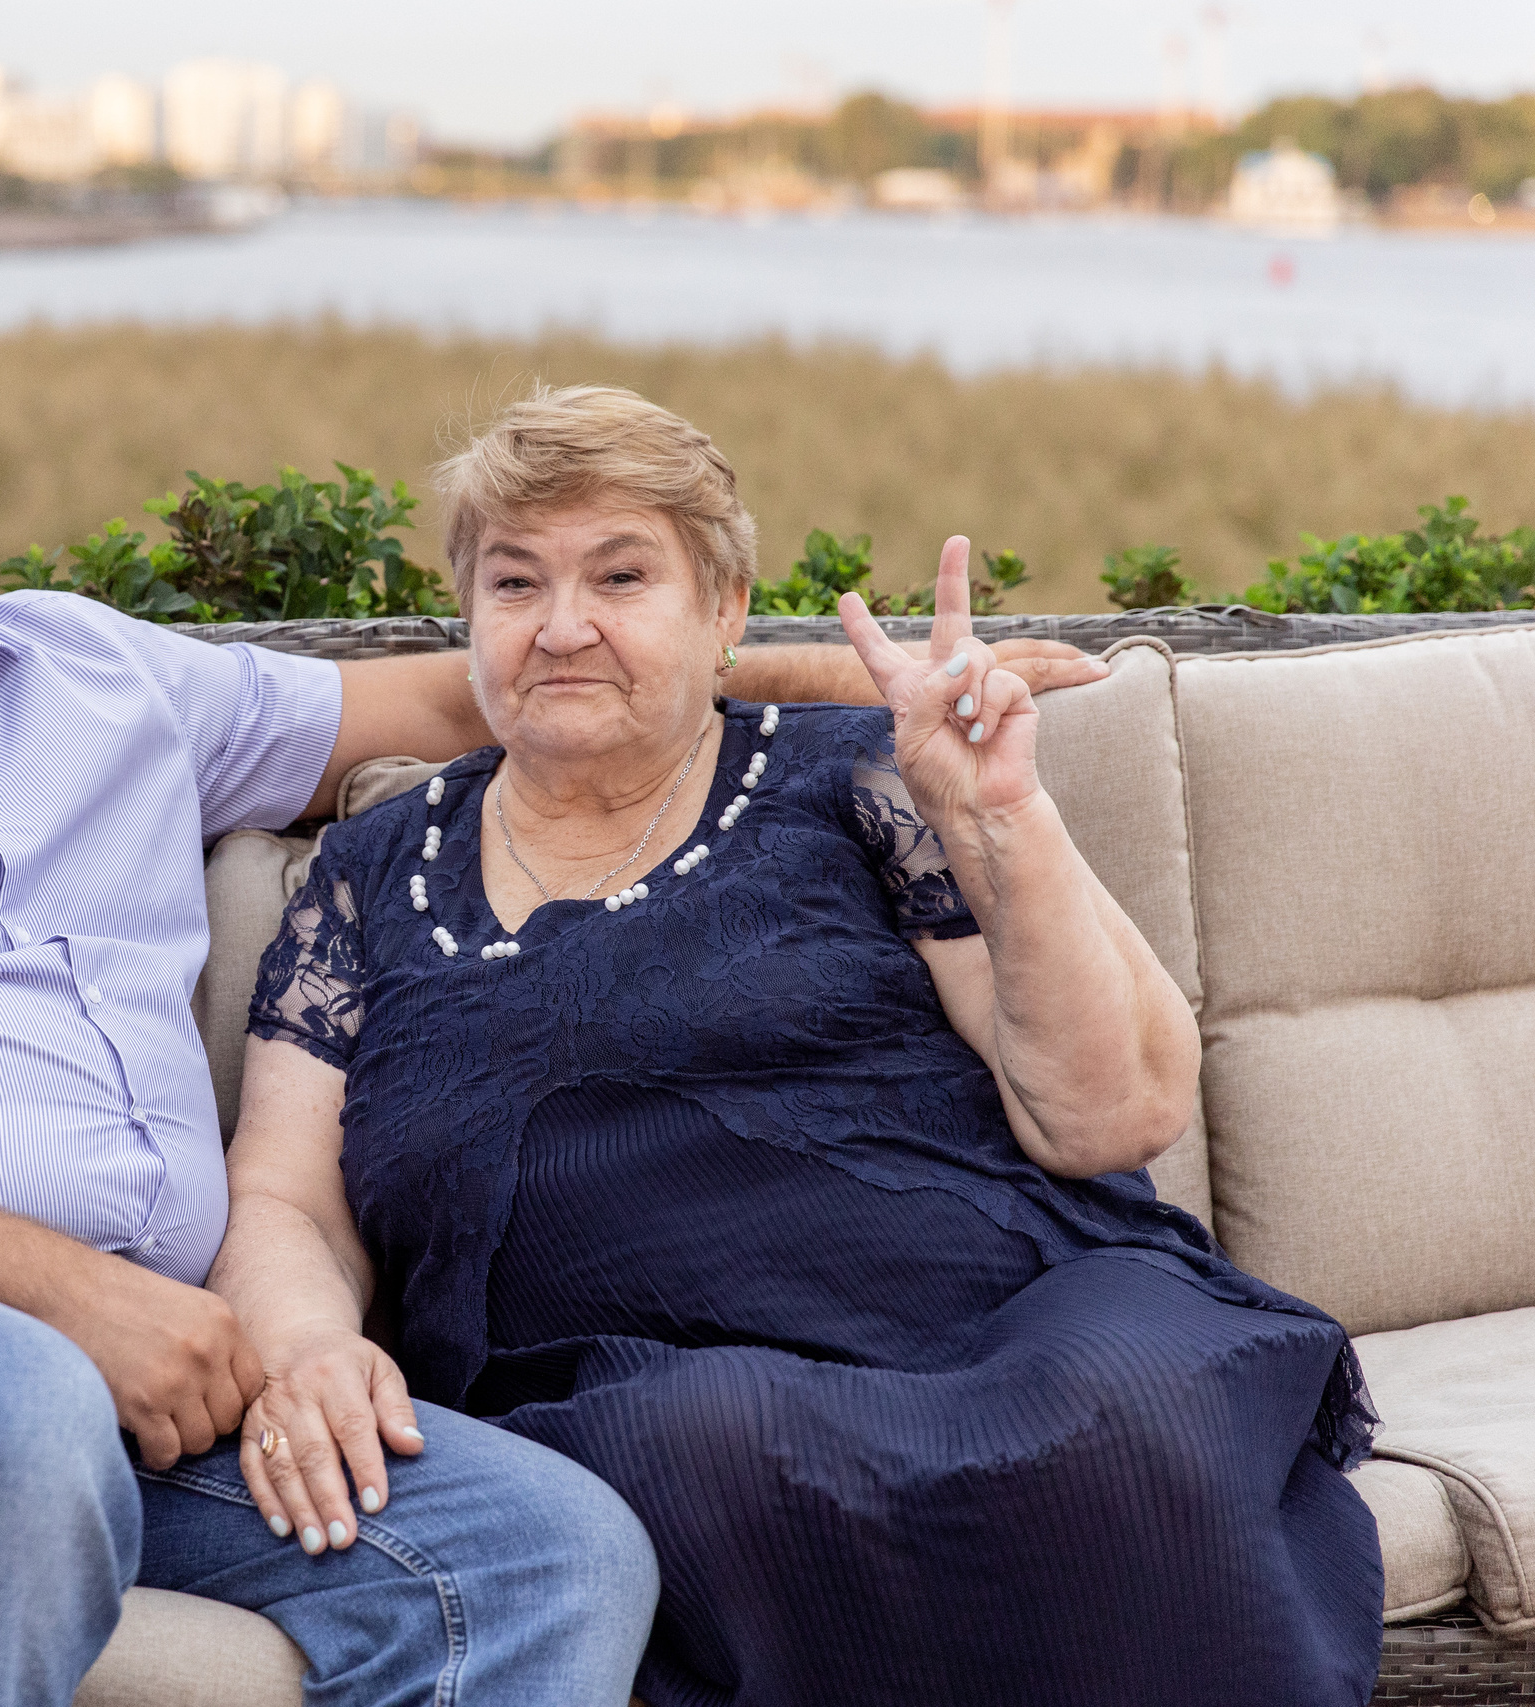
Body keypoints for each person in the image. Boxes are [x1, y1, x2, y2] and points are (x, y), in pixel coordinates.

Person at [219, 385, 1385, 1707]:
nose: (563, 625)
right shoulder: (371, 876)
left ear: (724, 613)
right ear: (468, 615)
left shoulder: (866, 778)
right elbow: (283, 1200)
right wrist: (310, 1344)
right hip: (642, 1383)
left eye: (621, 575)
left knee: (1128, 1423)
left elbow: (1110, 1118)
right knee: (716, 1450)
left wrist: (1000, 816)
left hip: (1002, 1312)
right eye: (514, 582)